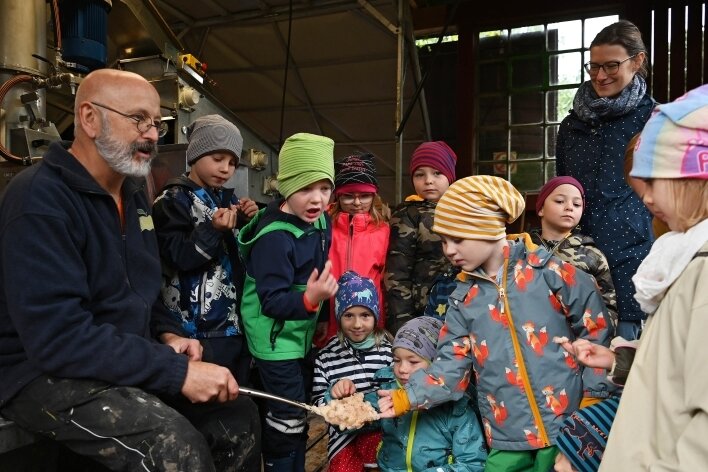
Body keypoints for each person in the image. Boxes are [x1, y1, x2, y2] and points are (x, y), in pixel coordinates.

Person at [0, 69, 260, 471]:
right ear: (89, 118)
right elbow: (59, 338)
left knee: (235, 418)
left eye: (157, 122)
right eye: (138, 118)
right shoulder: (40, 198)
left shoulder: (134, 196)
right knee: (173, 446)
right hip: (41, 371)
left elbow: (141, 289)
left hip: (116, 355)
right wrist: (175, 372)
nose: (153, 133)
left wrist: (167, 332)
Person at [378, 175, 615, 472]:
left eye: (458, 239)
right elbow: (449, 368)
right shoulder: (462, 299)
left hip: (567, 430)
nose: (448, 250)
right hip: (506, 439)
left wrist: (594, 397)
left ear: (487, 229)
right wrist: (406, 397)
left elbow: (596, 330)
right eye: (444, 241)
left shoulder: (552, 272)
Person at [597, 84, 708, 470]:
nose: (644, 198)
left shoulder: (703, 270)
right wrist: (627, 361)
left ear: (692, 177)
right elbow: (684, 368)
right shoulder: (687, 258)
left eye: (652, 181)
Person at [237, 132, 338, 472]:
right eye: (306, 188)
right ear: (285, 187)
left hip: (301, 330)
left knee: (300, 407)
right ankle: (281, 464)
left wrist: (319, 314)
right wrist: (311, 299)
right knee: (287, 413)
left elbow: (318, 269)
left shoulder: (320, 219)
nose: (317, 199)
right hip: (274, 336)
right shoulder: (275, 239)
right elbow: (272, 302)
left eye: (324, 188)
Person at [556, 20, 655, 340]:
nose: (600, 76)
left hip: (636, 261)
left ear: (637, 61)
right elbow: (563, 190)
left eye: (611, 65)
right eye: (593, 66)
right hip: (578, 261)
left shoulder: (655, 120)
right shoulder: (571, 127)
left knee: (629, 361)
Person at [152, 114, 259, 385]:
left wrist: (247, 221)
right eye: (217, 158)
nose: (225, 168)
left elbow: (239, 258)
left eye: (232, 162)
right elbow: (179, 256)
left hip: (232, 328)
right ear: (195, 154)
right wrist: (213, 229)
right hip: (195, 336)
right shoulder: (172, 201)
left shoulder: (226, 199)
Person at [367, 316, 486, 472]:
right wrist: (338, 396)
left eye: (413, 362)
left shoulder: (457, 409)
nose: (402, 369)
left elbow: (473, 464)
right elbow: (352, 419)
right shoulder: (389, 393)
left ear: (436, 364)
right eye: (396, 360)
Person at [312, 271, 393, 472]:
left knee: (380, 461)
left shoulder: (388, 350)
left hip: (383, 430)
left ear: (375, 315)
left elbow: (397, 388)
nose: (357, 324)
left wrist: (372, 402)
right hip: (343, 437)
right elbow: (318, 404)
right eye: (349, 315)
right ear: (339, 316)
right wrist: (332, 394)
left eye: (365, 315)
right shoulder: (327, 356)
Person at [317, 152, 391, 346]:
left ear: (374, 195)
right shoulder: (322, 224)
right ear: (338, 195)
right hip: (328, 318)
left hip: (368, 322)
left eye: (364, 196)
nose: (357, 203)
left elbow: (386, 280)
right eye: (349, 196)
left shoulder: (383, 229)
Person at [384, 141, 456, 334]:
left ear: (450, 176)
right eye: (419, 174)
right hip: (421, 315)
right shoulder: (408, 214)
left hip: (462, 310)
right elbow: (396, 275)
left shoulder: (464, 212)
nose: (428, 180)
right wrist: (402, 327)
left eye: (437, 173)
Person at [529, 176, 618, 328]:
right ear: (541, 208)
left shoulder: (592, 255)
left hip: (579, 342)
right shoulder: (522, 249)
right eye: (560, 201)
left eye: (577, 204)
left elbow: (608, 303)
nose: (569, 207)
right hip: (531, 337)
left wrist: (599, 339)